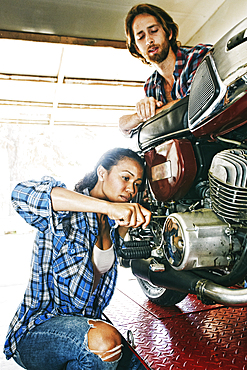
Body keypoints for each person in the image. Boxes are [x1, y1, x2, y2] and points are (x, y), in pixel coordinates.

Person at [4, 147, 151, 370]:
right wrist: (108, 207)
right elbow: (20, 195)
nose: (131, 188)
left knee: (141, 363)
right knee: (105, 343)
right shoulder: (67, 211)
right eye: (125, 177)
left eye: (137, 184)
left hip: (84, 325)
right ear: (102, 172)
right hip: (37, 331)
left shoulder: (113, 225)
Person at [119, 3, 212, 136]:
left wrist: (148, 115)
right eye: (141, 37)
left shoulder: (198, 56)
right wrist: (139, 115)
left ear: (169, 33)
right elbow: (139, 129)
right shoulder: (150, 86)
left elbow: (194, 104)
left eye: (154, 31)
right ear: (137, 49)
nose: (149, 40)